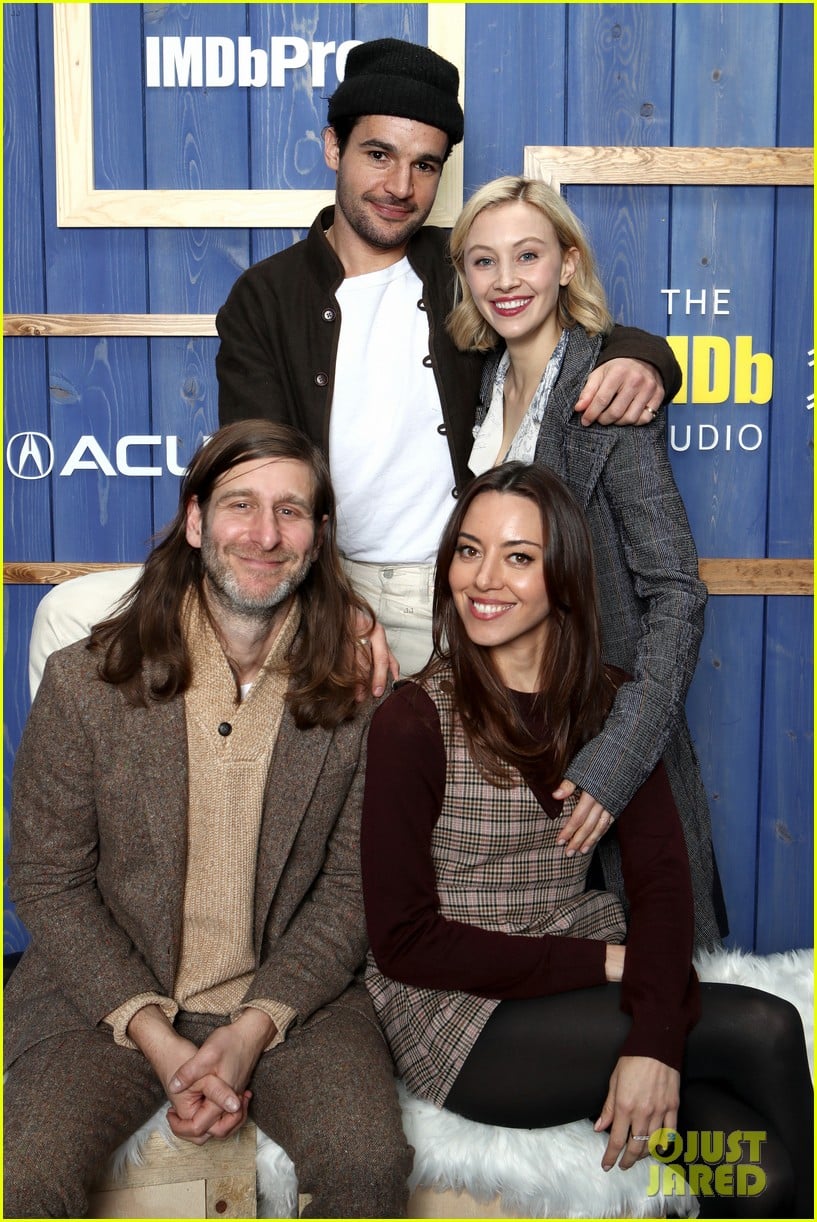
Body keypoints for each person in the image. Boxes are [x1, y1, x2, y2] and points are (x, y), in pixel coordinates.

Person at [28, 38, 682, 690]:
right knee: (66, 615)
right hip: (305, 574)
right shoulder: (267, 296)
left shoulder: (459, 268)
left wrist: (646, 359)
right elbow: (260, 466)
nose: (400, 187)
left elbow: (561, 321)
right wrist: (332, 600)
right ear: (333, 147)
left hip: (439, 587)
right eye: (378, 155)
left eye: (424, 166)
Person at [361, 463, 813, 1219]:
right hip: (462, 1016)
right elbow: (403, 942)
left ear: (564, 576)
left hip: (581, 988)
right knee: (766, 1027)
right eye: (468, 550)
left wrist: (654, 1042)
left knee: (758, 1176)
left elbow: (663, 882)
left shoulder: (609, 704)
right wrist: (608, 968)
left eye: (518, 556)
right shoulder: (412, 720)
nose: (483, 578)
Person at [4, 421, 412, 1219]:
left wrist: (253, 1027)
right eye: (240, 505)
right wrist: (155, 1036)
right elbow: (48, 882)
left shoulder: (360, 698)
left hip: (292, 996)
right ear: (195, 522)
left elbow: (352, 890)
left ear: (318, 537)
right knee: (21, 1174)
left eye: (290, 511)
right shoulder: (85, 682)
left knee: (366, 1164)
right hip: (103, 997)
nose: (265, 534)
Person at [446, 175, 725, 949]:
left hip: (604, 732)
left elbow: (675, 591)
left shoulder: (605, 391)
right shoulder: (482, 381)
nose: (505, 280)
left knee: (643, 972)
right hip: (512, 735)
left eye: (527, 256)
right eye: (483, 260)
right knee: (533, 977)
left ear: (567, 263)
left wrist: (617, 760)